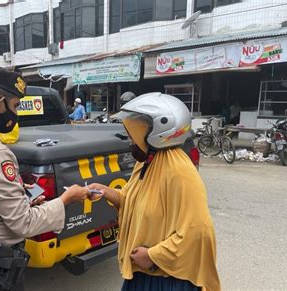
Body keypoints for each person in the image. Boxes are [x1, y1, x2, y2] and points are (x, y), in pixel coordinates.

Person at [0, 64, 90, 291]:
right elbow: (22, 223)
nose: (15, 113)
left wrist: (17, 195)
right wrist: (66, 199)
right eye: (14, 106)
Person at [87, 93, 220, 291]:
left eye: (134, 136)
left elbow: (198, 232)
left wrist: (153, 256)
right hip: (143, 273)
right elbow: (132, 200)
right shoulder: (147, 163)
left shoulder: (179, 172)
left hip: (168, 279)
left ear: (158, 132)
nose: (131, 142)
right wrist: (106, 192)